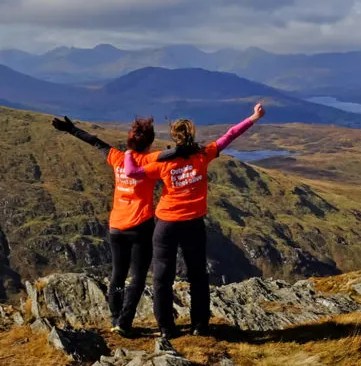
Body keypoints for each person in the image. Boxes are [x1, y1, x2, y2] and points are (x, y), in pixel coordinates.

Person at [131, 102, 265, 338]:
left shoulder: (163, 162)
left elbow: (132, 172)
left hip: (166, 224)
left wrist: (130, 152)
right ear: (192, 135)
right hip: (193, 224)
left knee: (162, 277)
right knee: (198, 275)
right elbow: (230, 135)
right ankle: (200, 326)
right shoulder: (203, 155)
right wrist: (253, 117)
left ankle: (166, 328)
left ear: (174, 137)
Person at [51, 115, 176, 337]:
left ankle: (114, 317)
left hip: (116, 227)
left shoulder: (118, 158)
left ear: (129, 142)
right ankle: (125, 322)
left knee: (117, 275)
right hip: (140, 228)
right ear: (149, 142)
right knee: (137, 277)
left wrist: (71, 129)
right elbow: (173, 156)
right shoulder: (151, 162)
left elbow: (95, 142)